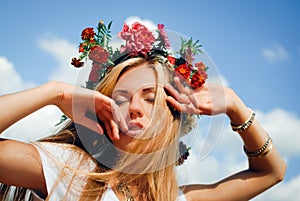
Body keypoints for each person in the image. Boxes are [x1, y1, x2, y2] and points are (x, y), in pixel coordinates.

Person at [0, 19, 286, 201]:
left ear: (172, 117)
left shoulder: (174, 198)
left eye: (150, 98)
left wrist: (236, 108)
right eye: (121, 99)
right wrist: (55, 92)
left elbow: (271, 173)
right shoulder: (69, 169)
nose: (134, 108)